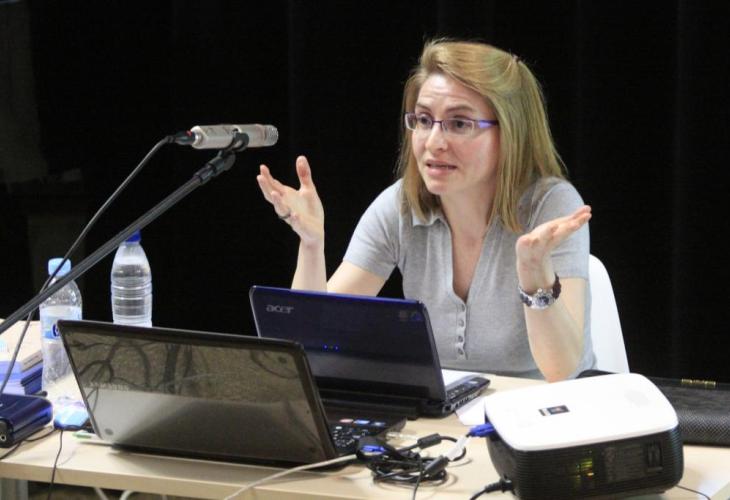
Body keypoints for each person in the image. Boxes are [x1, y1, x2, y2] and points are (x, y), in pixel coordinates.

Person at [257, 38, 594, 382]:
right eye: (423, 120)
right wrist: (312, 244)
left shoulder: (551, 206)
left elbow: (562, 372)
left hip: (545, 406)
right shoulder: (401, 206)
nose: (433, 142)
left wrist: (535, 275)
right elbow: (310, 343)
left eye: (459, 124)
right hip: (450, 409)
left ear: (511, 132)